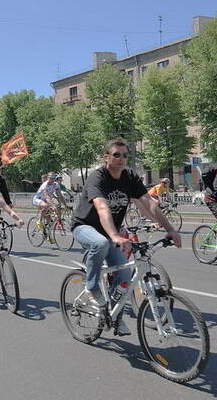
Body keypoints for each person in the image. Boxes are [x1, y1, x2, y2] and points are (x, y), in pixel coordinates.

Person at [71, 138, 182, 336]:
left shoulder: (129, 176)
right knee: (100, 242)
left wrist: (170, 229)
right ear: (106, 157)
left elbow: (148, 202)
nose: (121, 159)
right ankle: (91, 286)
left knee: (124, 275)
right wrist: (115, 235)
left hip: (109, 232)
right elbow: (102, 207)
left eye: (124, 155)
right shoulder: (98, 177)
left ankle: (115, 317)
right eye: (116, 155)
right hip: (84, 226)